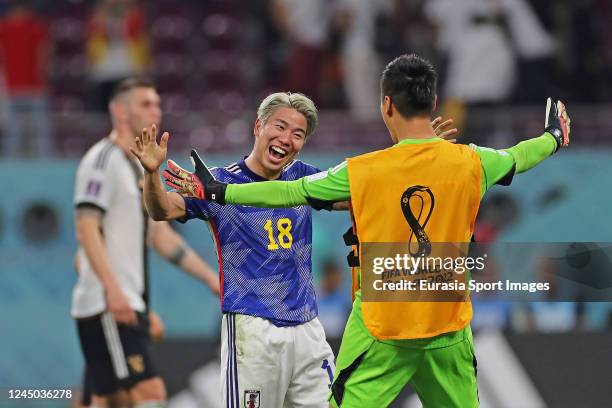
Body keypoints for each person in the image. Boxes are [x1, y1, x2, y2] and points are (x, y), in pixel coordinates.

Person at [157, 54, 571, 407]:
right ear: (432, 102)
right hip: (448, 331)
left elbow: (289, 192)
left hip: (382, 333)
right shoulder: (471, 162)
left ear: (386, 105)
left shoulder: (361, 173)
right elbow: (520, 155)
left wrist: (217, 191)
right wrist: (553, 136)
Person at [131, 91, 457, 407]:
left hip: (307, 330)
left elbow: (360, 196)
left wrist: (416, 160)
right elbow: (163, 211)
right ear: (259, 127)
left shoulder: (302, 177)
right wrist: (151, 174)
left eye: (298, 134)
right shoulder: (219, 184)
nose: (287, 138)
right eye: (280, 126)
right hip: (252, 330)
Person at [73, 77, 219, 408]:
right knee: (150, 394)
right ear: (119, 111)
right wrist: (114, 292)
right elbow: (85, 227)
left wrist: (211, 278)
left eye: (157, 103)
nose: (157, 109)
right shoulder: (102, 159)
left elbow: (159, 236)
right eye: (146, 103)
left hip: (124, 304)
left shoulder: (136, 170)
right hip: (107, 303)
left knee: (108, 400)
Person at [0, 0, 52, 156]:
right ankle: (43, 159)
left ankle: (14, 162)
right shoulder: (35, 26)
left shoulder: (6, 27)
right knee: (36, 130)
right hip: (29, 85)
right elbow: (45, 54)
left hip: (19, 86)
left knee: (23, 131)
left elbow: (44, 53)